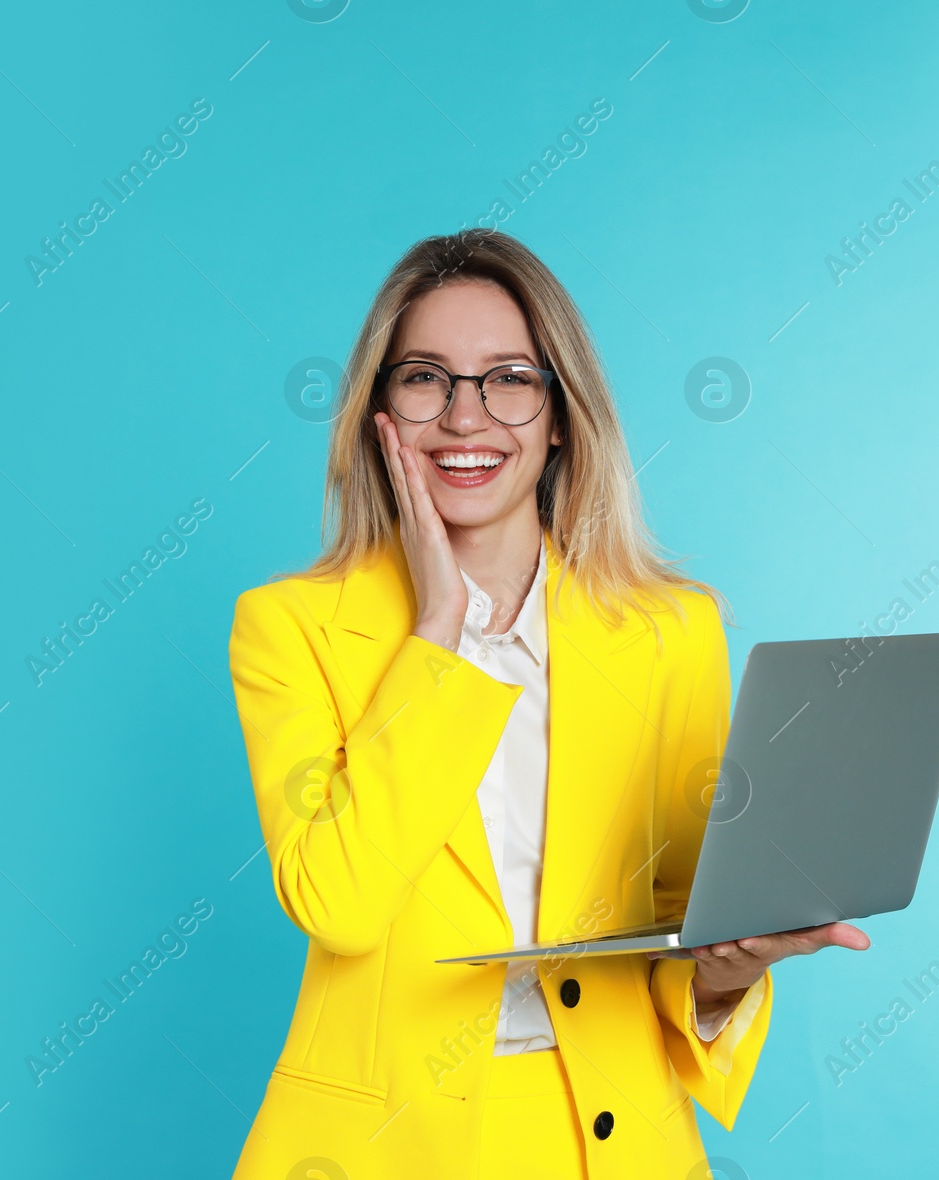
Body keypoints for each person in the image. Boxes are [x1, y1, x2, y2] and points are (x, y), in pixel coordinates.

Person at [226, 230, 868, 1179]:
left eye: (509, 379)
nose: (465, 416)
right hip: (381, 1149)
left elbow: (675, 921)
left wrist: (729, 978)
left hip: (609, 1143)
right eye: (425, 379)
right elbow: (343, 905)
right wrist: (440, 629)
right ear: (380, 417)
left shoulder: (668, 632)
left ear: (561, 415)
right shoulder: (291, 628)